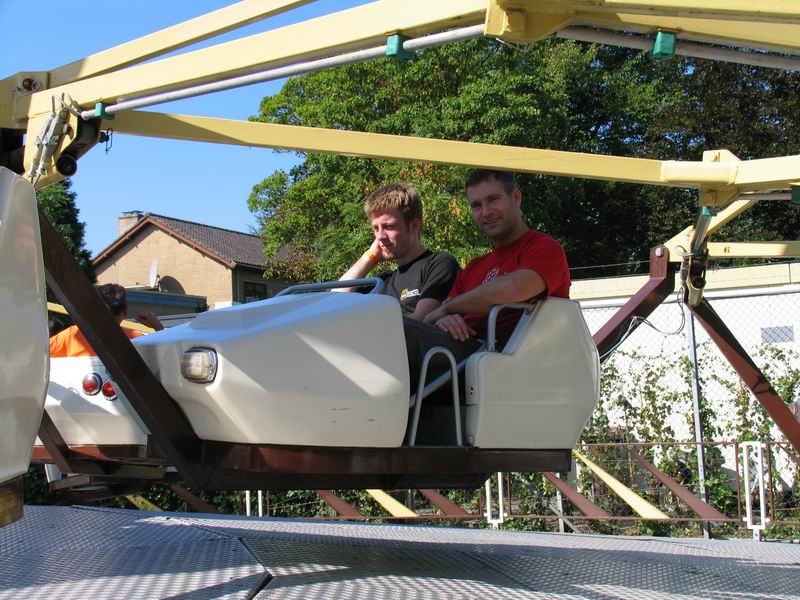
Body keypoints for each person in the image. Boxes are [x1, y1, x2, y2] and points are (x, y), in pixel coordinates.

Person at [404, 169, 571, 384]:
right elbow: (435, 316)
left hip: (504, 363)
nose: (486, 212)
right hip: (460, 357)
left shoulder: (544, 248)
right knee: (386, 328)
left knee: (395, 332)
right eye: (476, 205)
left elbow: (513, 288)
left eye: (493, 199)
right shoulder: (474, 267)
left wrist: (449, 308)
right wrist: (444, 318)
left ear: (516, 197)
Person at [338, 183, 459, 321]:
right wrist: (370, 256)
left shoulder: (439, 264)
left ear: (414, 226)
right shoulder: (383, 280)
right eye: (376, 228)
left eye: (388, 226)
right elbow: (335, 299)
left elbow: (422, 321)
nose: (380, 236)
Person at [49, 283, 164, 357]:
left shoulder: (72, 335)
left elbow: (40, 353)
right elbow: (165, 356)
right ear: (125, 311)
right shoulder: (135, 339)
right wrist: (157, 326)